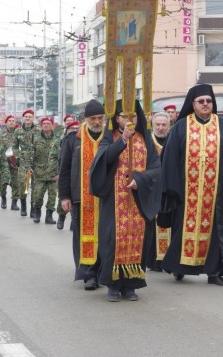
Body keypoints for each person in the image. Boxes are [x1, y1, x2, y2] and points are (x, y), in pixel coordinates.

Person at [159, 84, 223, 286]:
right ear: (193, 104)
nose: (205, 104)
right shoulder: (182, 126)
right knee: (183, 228)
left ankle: (215, 272)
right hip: (187, 191)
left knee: (218, 230)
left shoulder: (222, 125)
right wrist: (173, 188)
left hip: (217, 192)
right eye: (201, 101)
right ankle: (180, 266)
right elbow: (170, 159)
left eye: (208, 101)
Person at [89, 99, 161, 302]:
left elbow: (156, 169)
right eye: (124, 116)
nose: (129, 120)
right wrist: (122, 141)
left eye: (133, 116)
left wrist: (140, 180)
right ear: (116, 118)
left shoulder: (145, 140)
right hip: (114, 200)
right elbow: (103, 162)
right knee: (112, 241)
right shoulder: (109, 138)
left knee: (138, 242)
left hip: (139, 200)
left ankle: (131, 284)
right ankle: (112, 285)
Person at [59, 100, 105, 289]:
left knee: (104, 235)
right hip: (80, 198)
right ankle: (88, 274)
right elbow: (64, 169)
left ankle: (102, 271)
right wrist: (64, 197)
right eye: (93, 118)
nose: (97, 122)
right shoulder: (73, 139)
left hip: (105, 198)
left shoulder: (110, 137)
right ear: (86, 119)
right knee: (83, 236)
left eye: (100, 118)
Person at [146, 112, 171, 272]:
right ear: (153, 126)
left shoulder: (173, 140)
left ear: (169, 126)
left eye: (164, 125)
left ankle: (168, 259)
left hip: (168, 190)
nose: (161, 128)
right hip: (151, 190)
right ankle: (153, 260)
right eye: (158, 125)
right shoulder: (147, 141)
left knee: (169, 224)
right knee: (151, 227)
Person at [30, 117, 60, 224]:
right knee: (37, 195)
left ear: (52, 125)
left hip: (53, 173)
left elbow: (61, 157)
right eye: (44, 123)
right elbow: (30, 154)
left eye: (48, 123)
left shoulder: (58, 139)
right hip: (39, 172)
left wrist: (60, 172)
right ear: (41, 125)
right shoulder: (36, 138)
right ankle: (37, 213)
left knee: (52, 196)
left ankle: (49, 216)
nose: (46, 125)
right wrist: (29, 167)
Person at [14, 109, 40, 217]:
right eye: (26, 117)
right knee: (23, 185)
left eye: (30, 116)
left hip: (36, 160)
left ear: (33, 118)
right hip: (23, 160)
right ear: (23, 118)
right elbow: (14, 146)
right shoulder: (18, 131)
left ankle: (33, 209)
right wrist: (17, 157)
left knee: (35, 186)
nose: (28, 118)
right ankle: (23, 206)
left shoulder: (38, 130)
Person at [56, 119, 80, 230]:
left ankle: (72, 222)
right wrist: (57, 174)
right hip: (65, 174)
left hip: (76, 176)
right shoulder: (64, 140)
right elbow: (60, 160)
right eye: (72, 129)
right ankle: (61, 217)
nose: (74, 131)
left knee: (75, 201)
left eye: (77, 128)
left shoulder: (79, 140)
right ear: (67, 130)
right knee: (65, 198)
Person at [0, 114, 21, 211]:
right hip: (4, 162)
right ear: (6, 123)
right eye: (10, 121)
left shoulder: (19, 134)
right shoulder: (1, 135)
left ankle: (14, 203)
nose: (12, 122)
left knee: (16, 183)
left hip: (15, 162)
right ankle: (3, 198)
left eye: (13, 120)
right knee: (3, 183)